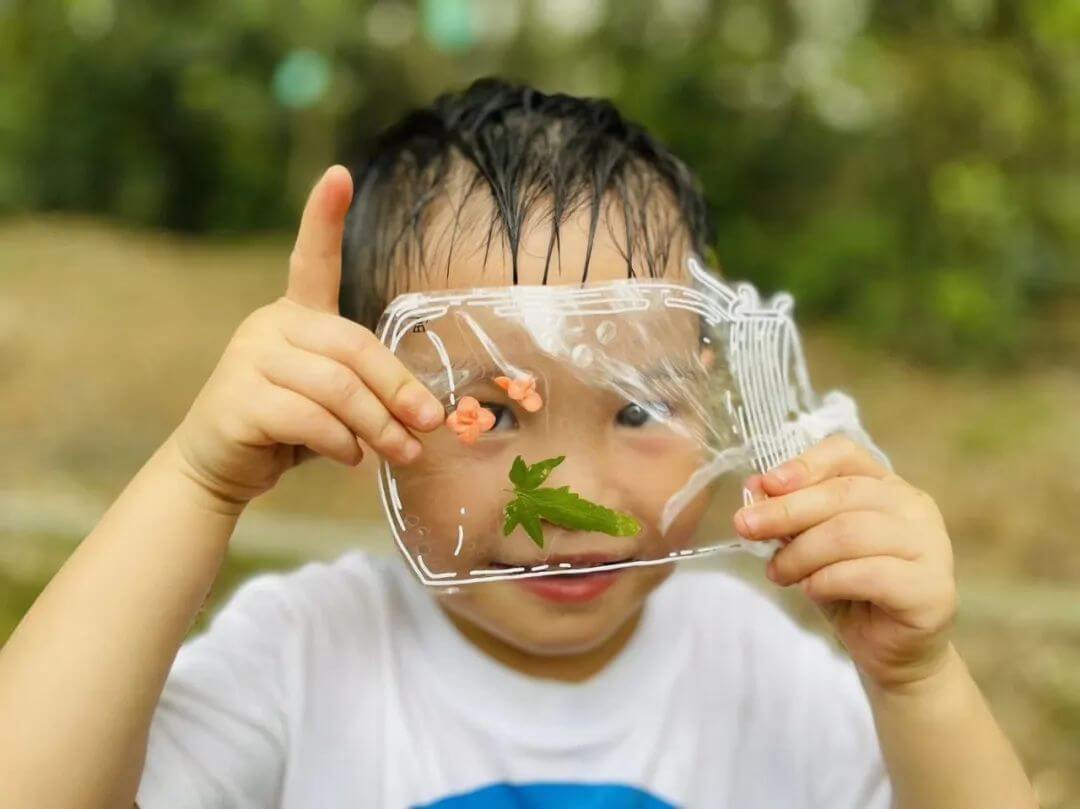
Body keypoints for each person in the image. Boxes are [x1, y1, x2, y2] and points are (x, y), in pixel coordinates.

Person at [0, 79, 1036, 809]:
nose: (574, 499)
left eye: (638, 408)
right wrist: (197, 478)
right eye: (486, 413)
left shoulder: (769, 678)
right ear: (367, 399)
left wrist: (919, 682)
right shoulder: (307, 656)